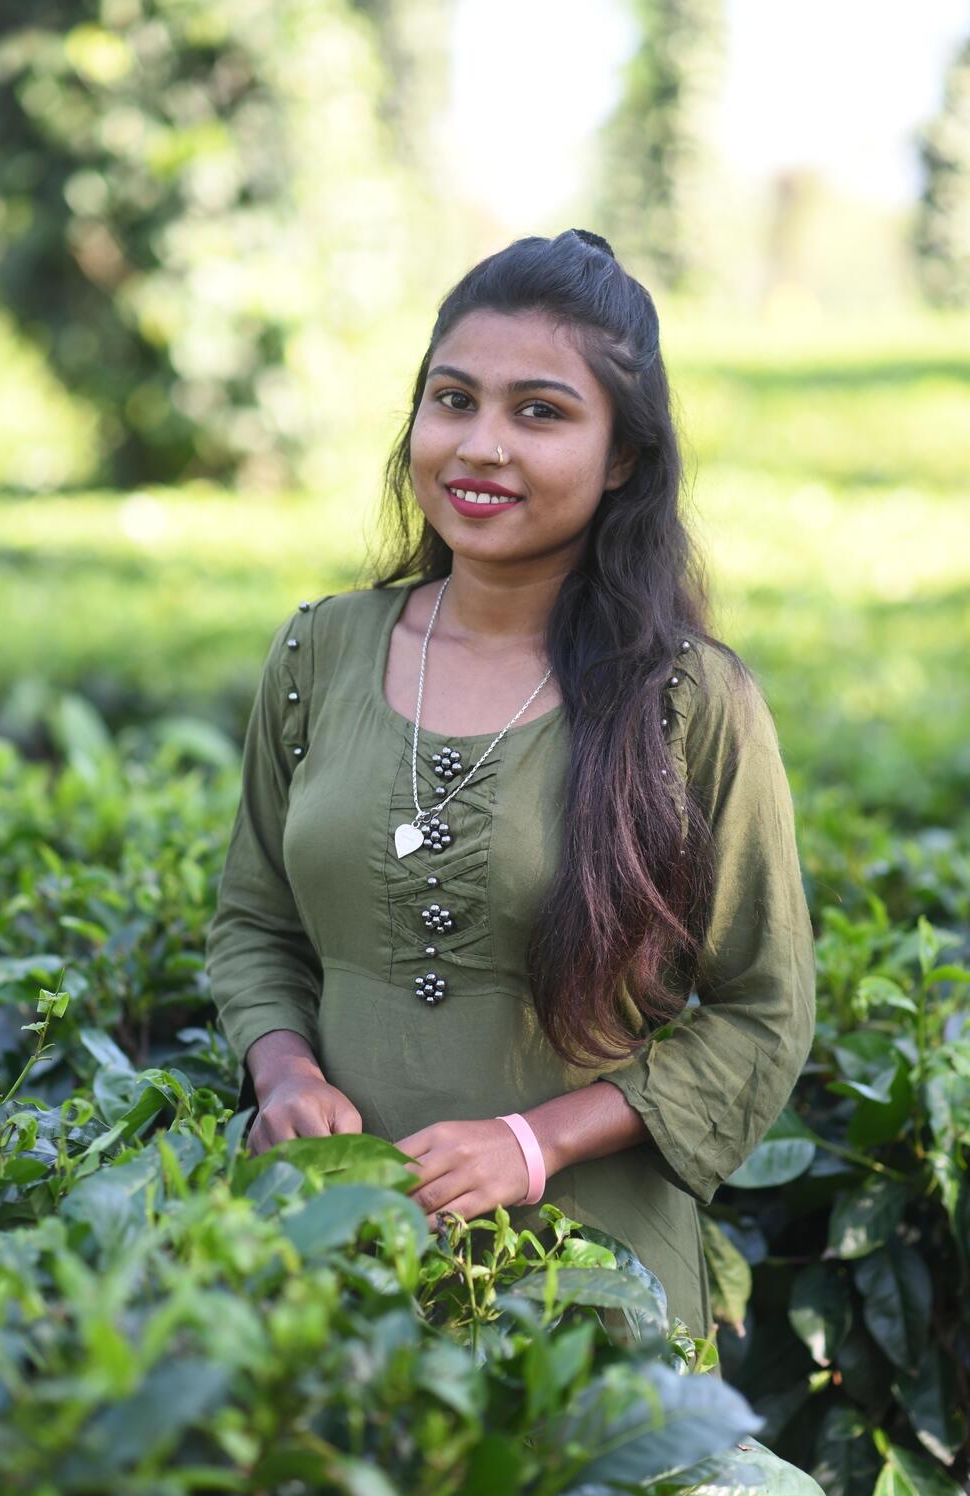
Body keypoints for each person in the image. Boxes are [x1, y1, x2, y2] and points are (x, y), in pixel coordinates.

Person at [204, 228, 817, 1366]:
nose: (480, 446)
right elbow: (254, 921)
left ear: (624, 456)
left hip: (587, 1282)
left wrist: (532, 1146)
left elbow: (761, 1011)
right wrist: (281, 1070)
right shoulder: (318, 652)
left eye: (540, 412)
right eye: (453, 400)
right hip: (327, 1257)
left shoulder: (687, 701)